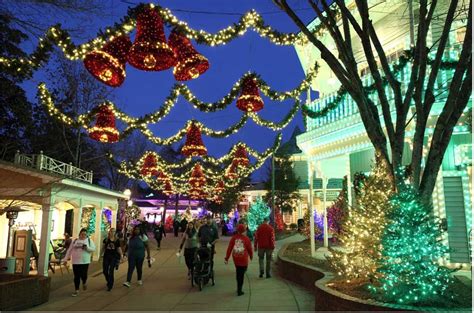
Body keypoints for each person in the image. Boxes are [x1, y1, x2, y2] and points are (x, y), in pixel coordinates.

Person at [62, 228, 96, 297]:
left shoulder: (89, 241)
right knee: (76, 276)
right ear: (79, 234)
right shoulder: (75, 241)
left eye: (85, 235)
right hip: (75, 261)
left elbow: (93, 249)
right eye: (82, 234)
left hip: (85, 261)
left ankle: (84, 282)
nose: (83, 236)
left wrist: (87, 248)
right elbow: (69, 250)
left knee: (83, 274)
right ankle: (76, 290)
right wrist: (65, 259)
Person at [224, 224, 253, 296]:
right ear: (244, 230)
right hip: (243, 258)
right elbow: (249, 249)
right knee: (242, 273)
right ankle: (239, 290)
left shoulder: (234, 238)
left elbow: (229, 248)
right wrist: (251, 255)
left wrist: (227, 258)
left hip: (236, 258)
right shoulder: (246, 239)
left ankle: (238, 287)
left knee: (238, 272)